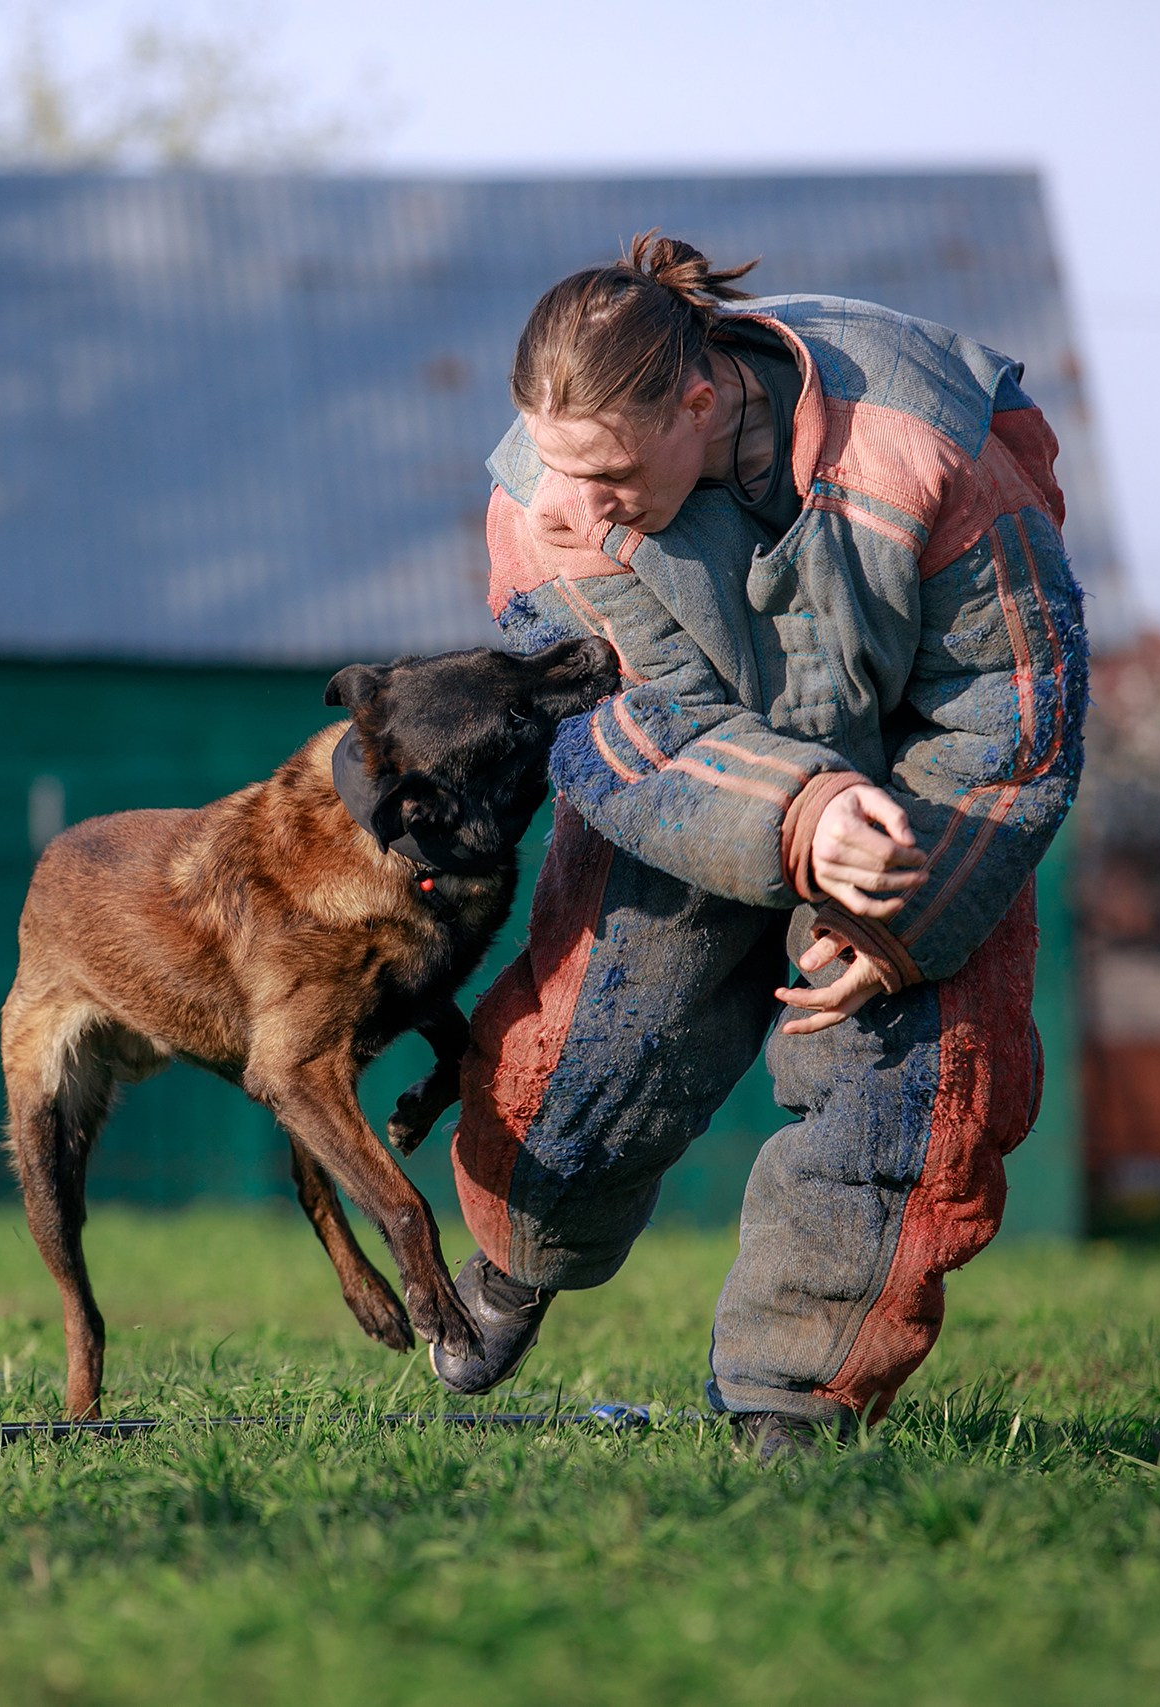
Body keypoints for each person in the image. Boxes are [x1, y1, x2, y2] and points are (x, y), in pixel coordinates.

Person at [431, 233, 1089, 1459]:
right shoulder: (543, 505)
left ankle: (790, 1404)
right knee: (596, 1052)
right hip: (705, 776)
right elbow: (620, 725)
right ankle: (523, 1258)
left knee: (909, 1087)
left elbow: (1016, 710)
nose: (575, 508)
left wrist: (903, 904)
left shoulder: (928, 450)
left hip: (925, 799)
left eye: (610, 473)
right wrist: (800, 814)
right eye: (557, 469)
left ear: (696, 399)